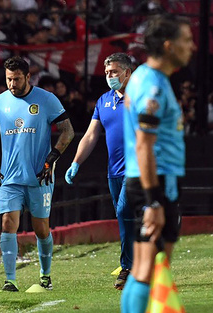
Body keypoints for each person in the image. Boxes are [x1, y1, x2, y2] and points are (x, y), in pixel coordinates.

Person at [0, 56, 74, 292]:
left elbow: (67, 131)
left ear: (28, 77)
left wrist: (52, 159)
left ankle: (45, 275)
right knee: (8, 223)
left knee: (41, 228)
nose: (12, 83)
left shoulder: (46, 99)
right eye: (9, 79)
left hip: (39, 176)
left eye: (17, 79)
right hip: (9, 178)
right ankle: (10, 280)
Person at [120, 15, 195, 313]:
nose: (191, 46)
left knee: (142, 268)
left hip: (145, 179)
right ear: (168, 45)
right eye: (186, 40)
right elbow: (144, 145)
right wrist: (153, 202)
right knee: (150, 268)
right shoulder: (152, 86)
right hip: (157, 181)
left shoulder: (143, 77)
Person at [65, 52, 134, 290]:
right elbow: (91, 135)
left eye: (114, 72)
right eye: (106, 73)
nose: (109, 76)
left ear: (127, 72)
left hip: (138, 169)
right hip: (114, 172)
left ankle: (128, 267)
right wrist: (76, 162)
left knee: (125, 210)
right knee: (124, 217)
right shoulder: (104, 100)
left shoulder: (142, 98)